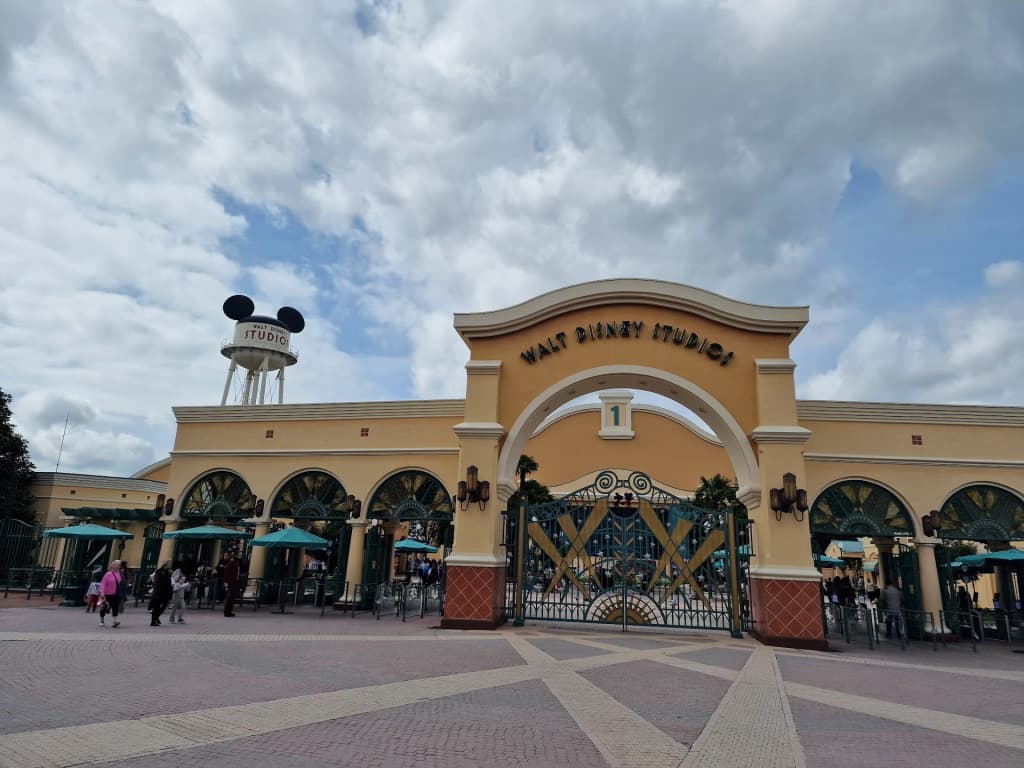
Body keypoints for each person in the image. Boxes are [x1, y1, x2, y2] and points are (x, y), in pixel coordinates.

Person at [99, 560, 124, 628]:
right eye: (117, 565)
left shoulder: (119, 573)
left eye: (119, 565)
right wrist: (102, 593)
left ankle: (115, 621)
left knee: (115, 607)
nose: (118, 566)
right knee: (104, 607)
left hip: (116, 593)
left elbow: (120, 583)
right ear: (113, 565)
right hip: (107, 594)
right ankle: (102, 621)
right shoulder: (108, 574)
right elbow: (103, 584)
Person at [149, 561, 173, 627]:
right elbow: (159, 581)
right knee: (156, 606)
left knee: (164, 604)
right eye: (169, 565)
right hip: (159, 592)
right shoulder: (160, 571)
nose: (170, 566)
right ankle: (153, 621)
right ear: (165, 565)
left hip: (165, 592)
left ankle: (156, 617)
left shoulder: (167, 572)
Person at [223, 552, 241, 617]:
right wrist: (226, 583)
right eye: (239, 555)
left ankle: (228, 611)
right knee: (230, 597)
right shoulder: (232, 564)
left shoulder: (234, 564)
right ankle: (227, 612)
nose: (240, 557)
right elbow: (227, 574)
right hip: (231, 582)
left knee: (231, 597)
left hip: (233, 582)